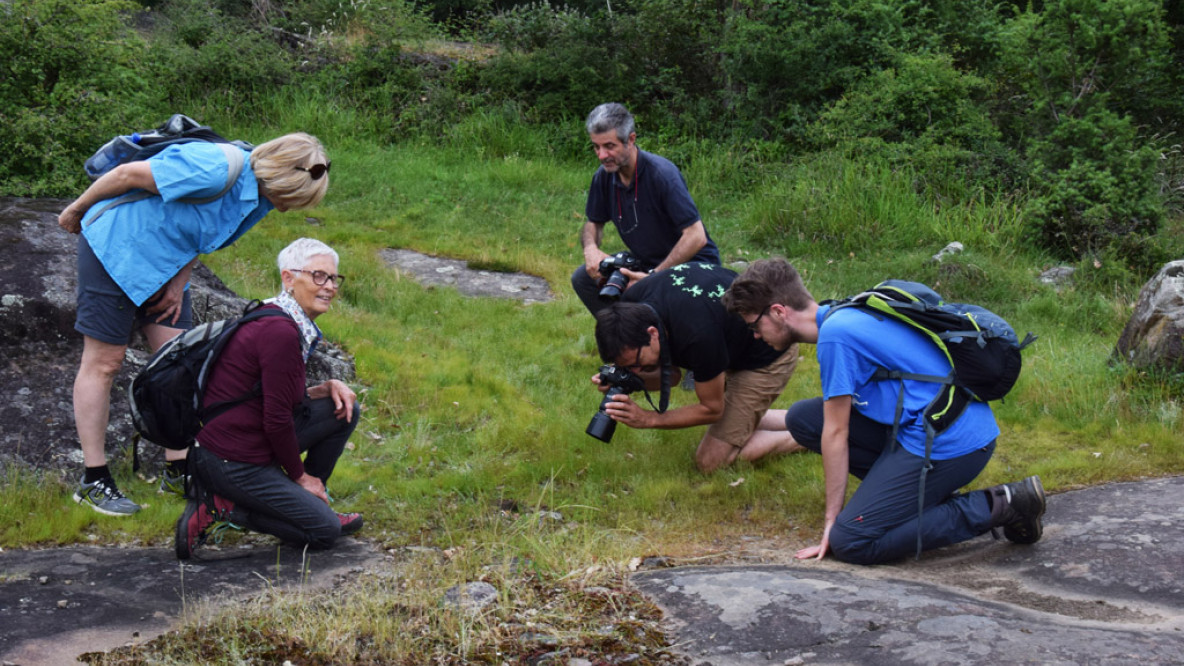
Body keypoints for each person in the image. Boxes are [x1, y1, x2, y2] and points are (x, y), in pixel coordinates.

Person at [58, 132, 331, 516]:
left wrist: (178, 281)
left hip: (163, 264)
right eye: (291, 198)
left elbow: (203, 236)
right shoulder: (213, 168)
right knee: (105, 363)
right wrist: (76, 210)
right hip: (116, 248)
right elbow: (125, 176)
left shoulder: (262, 199)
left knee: (183, 362)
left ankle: (179, 468)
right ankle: (94, 479)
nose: (287, 208)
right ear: (280, 177)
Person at [721, 258, 1047, 565]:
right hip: (939, 427)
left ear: (778, 312)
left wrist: (832, 524)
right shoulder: (843, 311)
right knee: (803, 420)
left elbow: (837, 432)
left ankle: (1006, 503)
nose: (754, 335)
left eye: (754, 324)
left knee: (852, 541)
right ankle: (912, 499)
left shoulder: (835, 338)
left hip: (952, 445)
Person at [176, 238, 362, 560]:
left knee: (344, 407)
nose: (330, 286)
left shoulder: (280, 316)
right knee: (324, 532)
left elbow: (273, 395)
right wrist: (299, 476)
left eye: (333, 278)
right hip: (232, 461)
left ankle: (312, 499)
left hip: (250, 441)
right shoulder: (280, 331)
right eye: (319, 276)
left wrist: (327, 385)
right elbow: (276, 419)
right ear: (289, 278)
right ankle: (223, 507)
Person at [593, 262, 800, 472]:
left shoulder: (698, 335)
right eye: (626, 367)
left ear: (652, 333)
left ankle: (812, 434)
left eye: (635, 364)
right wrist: (623, 379)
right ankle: (809, 417)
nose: (634, 371)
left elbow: (711, 409)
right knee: (738, 417)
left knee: (710, 462)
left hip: (770, 347)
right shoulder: (632, 305)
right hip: (729, 339)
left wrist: (649, 418)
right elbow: (671, 376)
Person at [573, 102, 721, 314]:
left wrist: (653, 278)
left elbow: (696, 237)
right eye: (596, 147)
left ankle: (650, 337)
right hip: (646, 263)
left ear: (631, 140)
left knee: (654, 298)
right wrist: (591, 250)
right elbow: (593, 223)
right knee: (582, 278)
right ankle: (624, 337)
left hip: (693, 266)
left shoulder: (661, 175)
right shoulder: (604, 176)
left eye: (609, 146)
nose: (602, 155)